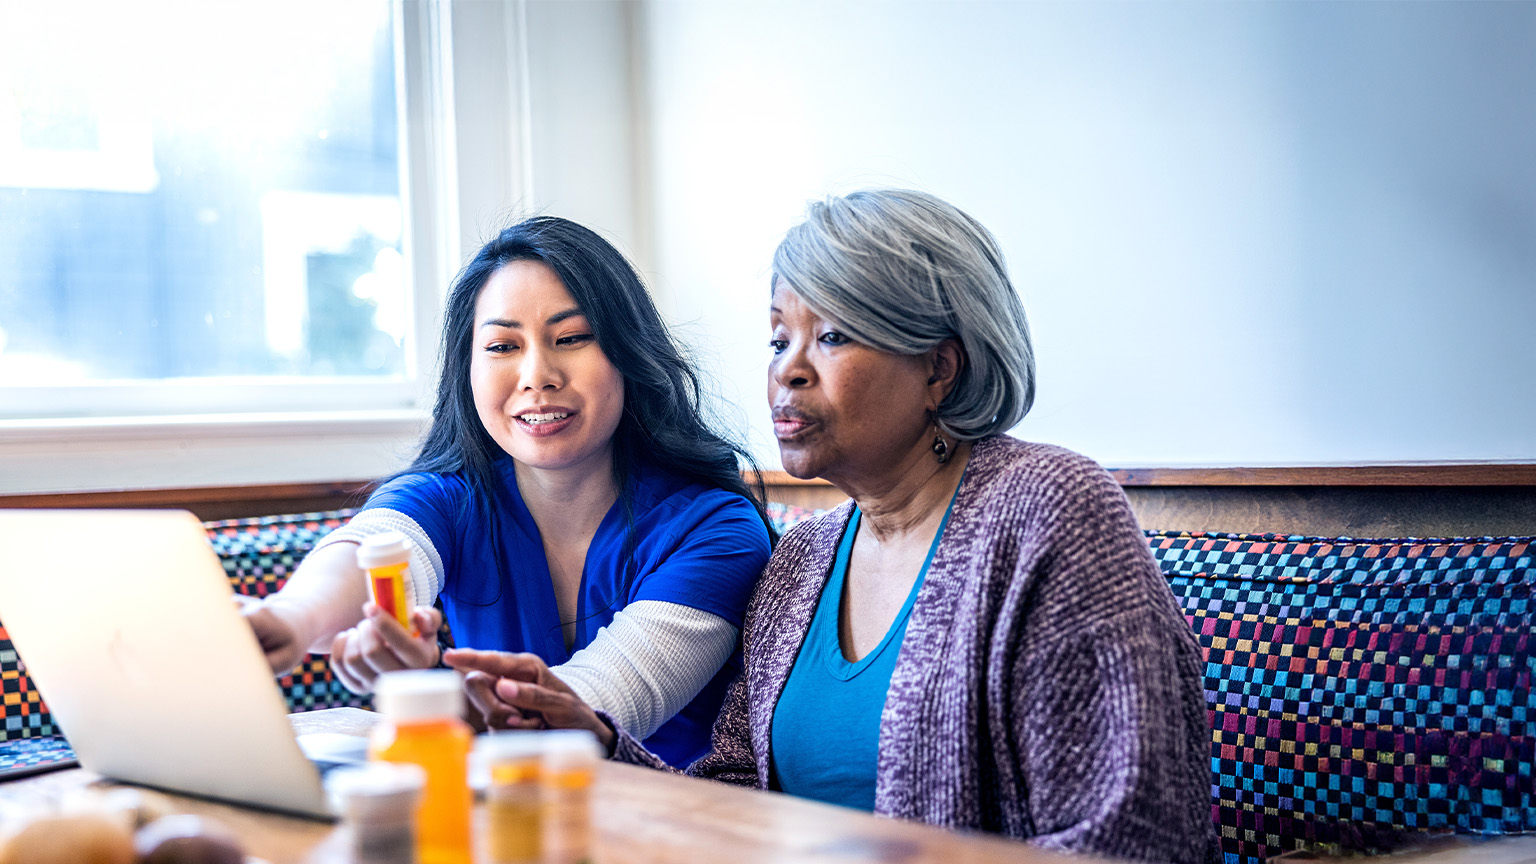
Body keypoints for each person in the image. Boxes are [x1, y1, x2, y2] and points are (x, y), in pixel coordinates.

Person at [447, 190, 1218, 862]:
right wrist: (597, 741)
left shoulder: (1047, 511)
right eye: (779, 338)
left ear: (939, 368)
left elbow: (1135, 835)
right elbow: (738, 803)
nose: (789, 368)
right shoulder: (801, 561)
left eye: (835, 335)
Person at [243, 216, 773, 768]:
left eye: (571, 338)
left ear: (628, 355)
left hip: (673, 827)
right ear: (467, 371)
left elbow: (587, 712)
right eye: (501, 346)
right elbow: (375, 550)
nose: (537, 375)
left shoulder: (717, 531)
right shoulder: (449, 499)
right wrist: (288, 621)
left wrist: (426, 683)